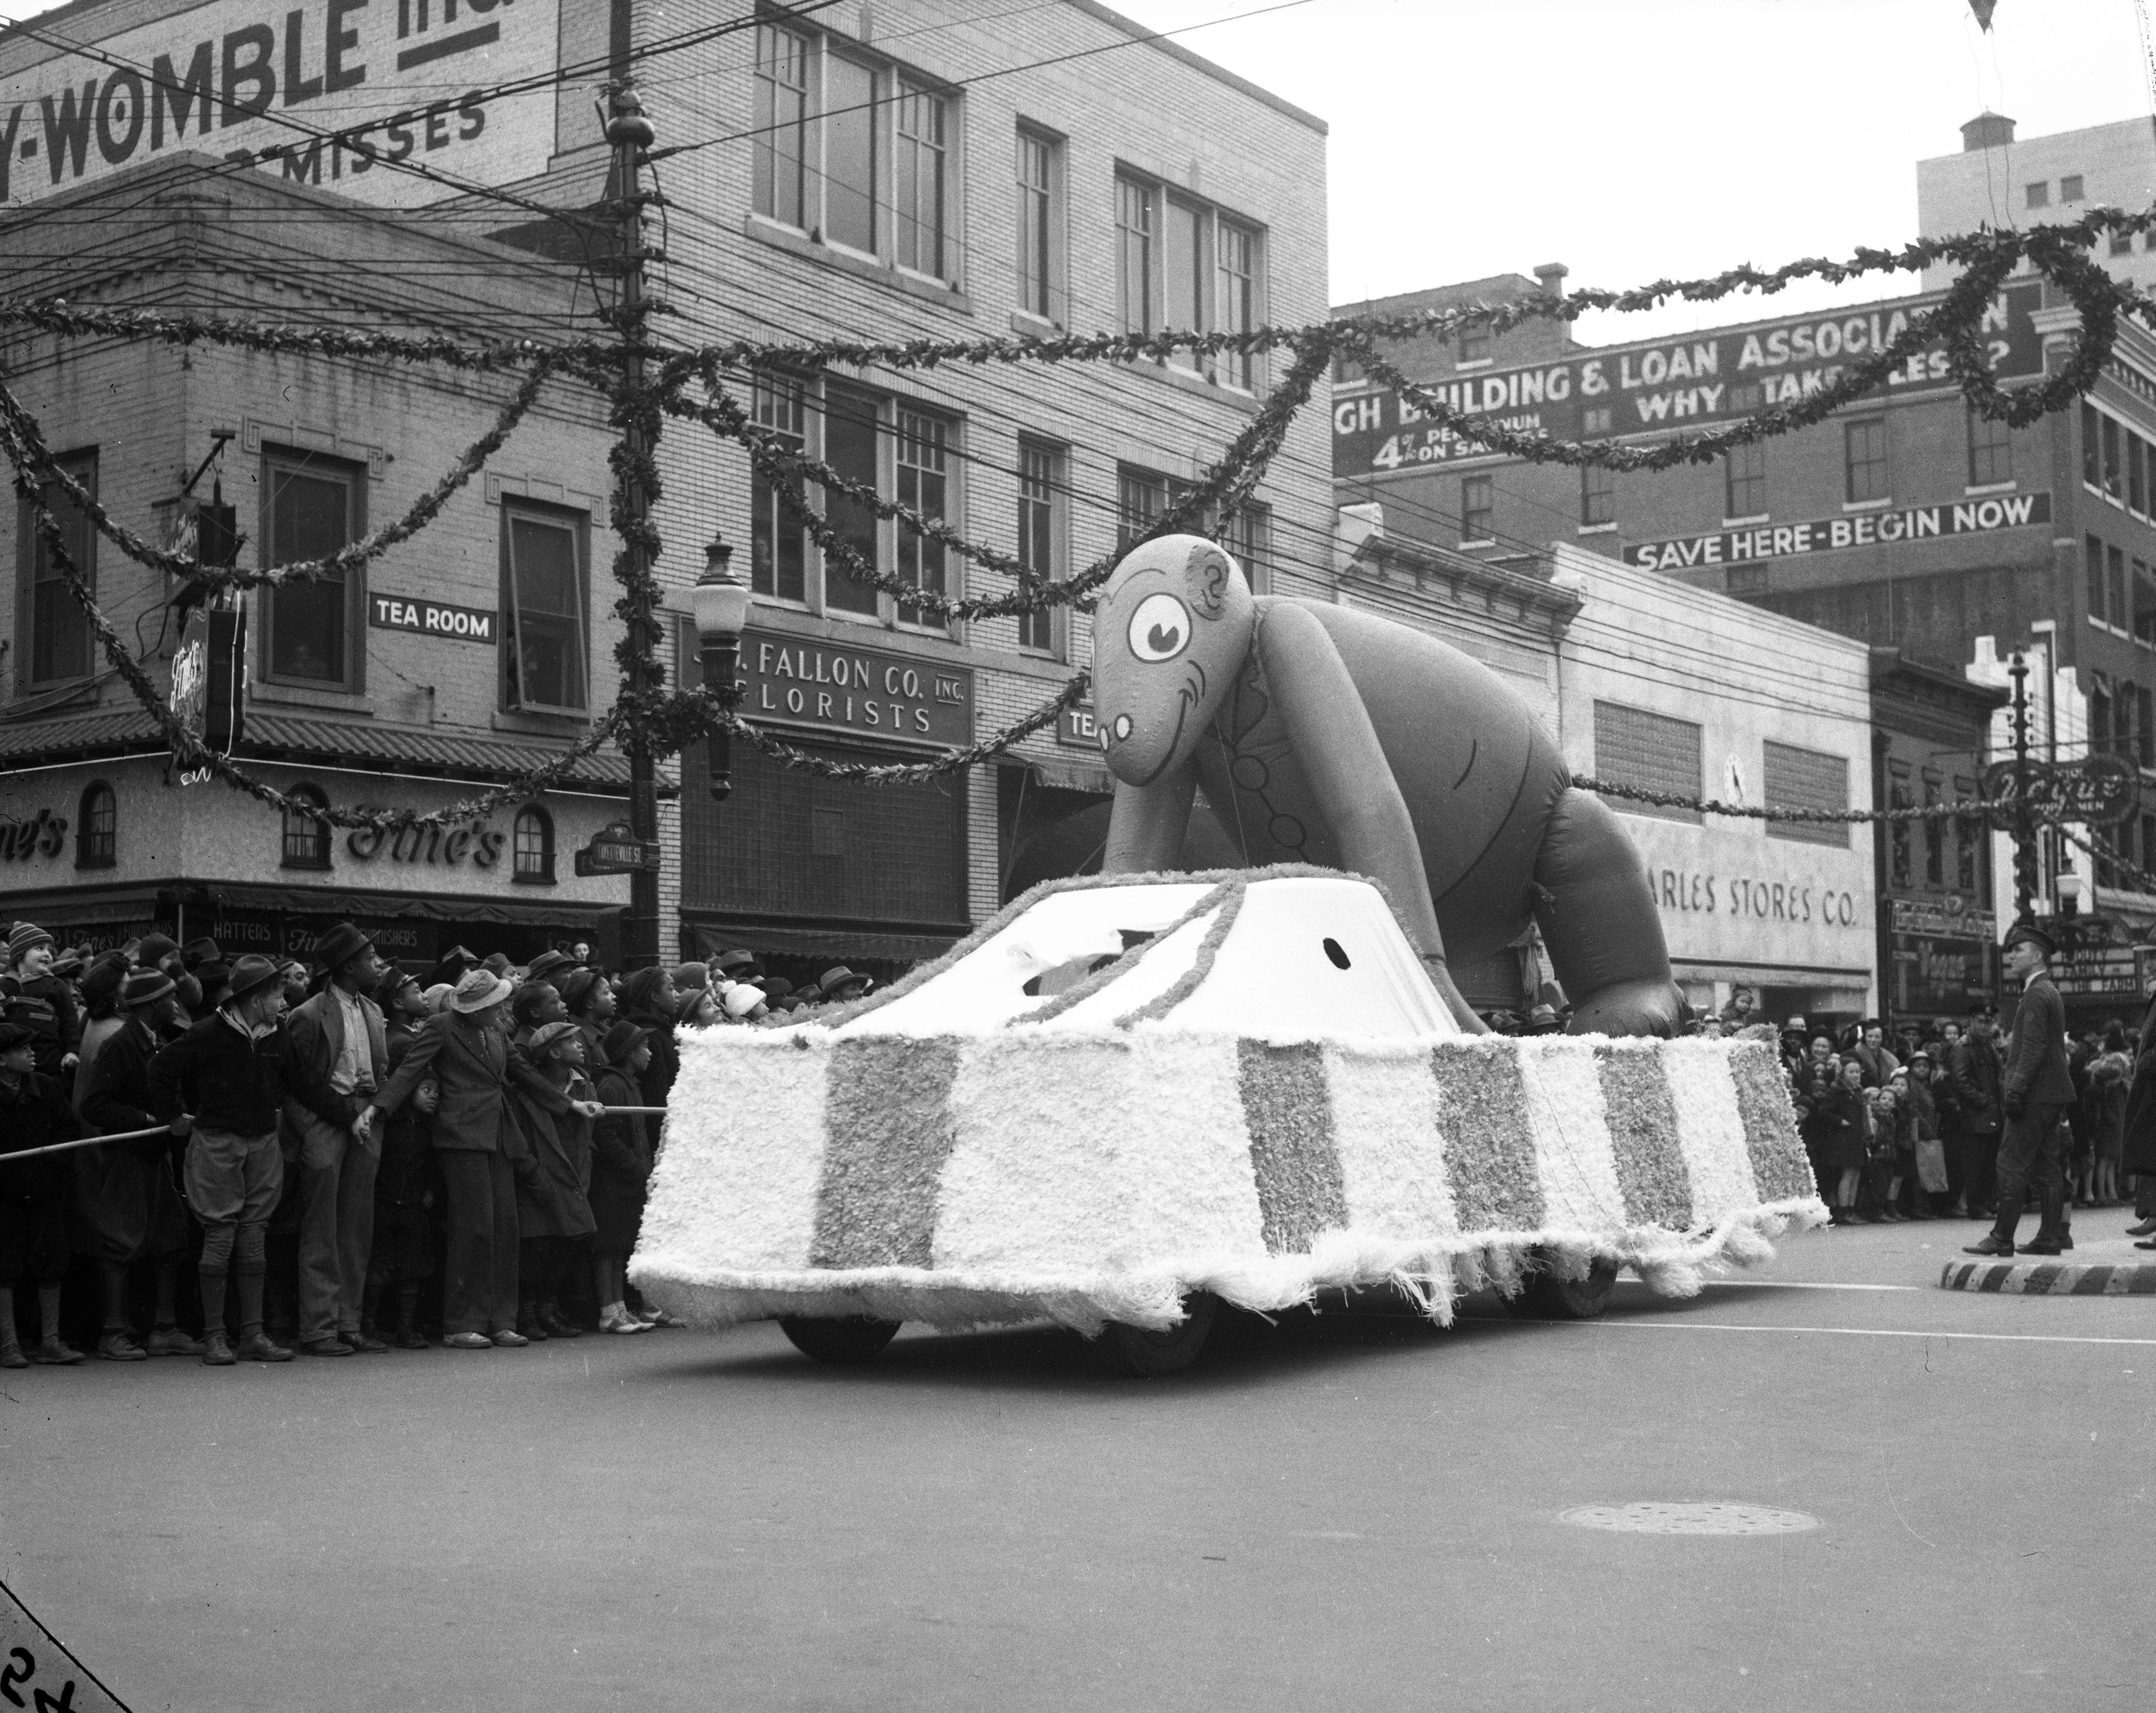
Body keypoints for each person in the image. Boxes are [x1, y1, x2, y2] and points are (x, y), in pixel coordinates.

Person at [148, 954, 342, 1365]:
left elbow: (305, 1083)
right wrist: (172, 1115)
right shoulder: (208, 1031)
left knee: (254, 1233)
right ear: (255, 999)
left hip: (263, 1143)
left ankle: (253, 1334)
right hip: (217, 1143)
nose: (284, 1003)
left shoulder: (278, 1034)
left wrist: (352, 1116)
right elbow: (162, 1068)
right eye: (278, 995)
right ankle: (215, 1336)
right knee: (221, 1235)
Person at [365, 968, 546, 1350]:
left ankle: (500, 1320)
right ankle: (462, 1322)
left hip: (498, 1131)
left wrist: (572, 1104)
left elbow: (522, 1072)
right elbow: (410, 1070)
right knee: (474, 1229)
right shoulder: (441, 1025)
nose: (502, 1008)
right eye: (495, 1003)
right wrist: (377, 1109)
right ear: (476, 1006)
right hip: (460, 1135)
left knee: (505, 1226)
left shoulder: (495, 1029)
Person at [75, 970, 199, 1359]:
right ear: (151, 1004)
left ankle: (164, 1329)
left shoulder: (156, 1042)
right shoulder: (120, 1045)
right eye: (170, 997)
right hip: (128, 1157)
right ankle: (113, 1334)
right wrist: (148, 1121)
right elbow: (95, 1105)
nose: (176, 1003)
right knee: (120, 1241)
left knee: (170, 1238)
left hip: (154, 1156)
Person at [279, 924, 390, 1357]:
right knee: (321, 1228)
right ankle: (319, 1328)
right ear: (347, 967)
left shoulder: (375, 1012)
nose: (377, 965)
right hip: (326, 1121)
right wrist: (309, 1130)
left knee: (357, 1229)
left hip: (365, 1118)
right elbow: (293, 1083)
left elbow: (380, 1071)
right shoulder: (307, 1015)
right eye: (370, 958)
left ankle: (349, 1322)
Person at [1967, 922, 2078, 1257]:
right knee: (2047, 1167)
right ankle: (2050, 1236)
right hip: (2051, 1094)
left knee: (2011, 1163)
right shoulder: (2049, 991)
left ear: (2039, 956)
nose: (2012, 956)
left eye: (2020, 950)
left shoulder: (2035, 994)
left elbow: (2032, 1048)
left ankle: (2002, 1237)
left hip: (2034, 1094)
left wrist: (2015, 1090)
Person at [0, 1021, 90, 1366]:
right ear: (2, 1061)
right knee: (4, 1268)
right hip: (3, 1197)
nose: (32, 1054)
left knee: (51, 1261)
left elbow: (69, 1131)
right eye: (23, 1050)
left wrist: (51, 1169)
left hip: (43, 1189)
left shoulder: (48, 1088)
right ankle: (9, 1345)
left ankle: (50, 1342)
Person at [507, 1021, 600, 1340]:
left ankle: (547, 1309)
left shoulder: (585, 1088)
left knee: (568, 1245)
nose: (581, 1046)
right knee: (537, 1248)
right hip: (539, 1178)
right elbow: (518, 1138)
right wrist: (532, 1173)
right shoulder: (524, 1094)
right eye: (572, 1042)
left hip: (574, 1177)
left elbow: (588, 1138)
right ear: (554, 1052)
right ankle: (528, 1313)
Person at [364, 968, 437, 1349]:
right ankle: (378, 1325)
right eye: (415, 989)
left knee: (407, 1254)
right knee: (387, 1255)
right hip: (399, 1144)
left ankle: (397, 1325)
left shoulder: (403, 1037)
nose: (422, 993)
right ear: (396, 1002)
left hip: (409, 1156)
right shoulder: (403, 1044)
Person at [590, 1022, 655, 1335]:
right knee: (609, 1247)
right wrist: (632, 1165)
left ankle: (620, 1309)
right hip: (613, 1182)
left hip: (628, 1181)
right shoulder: (613, 1086)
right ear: (630, 1053)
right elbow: (606, 1133)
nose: (650, 1053)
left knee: (620, 1247)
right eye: (644, 1047)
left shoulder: (630, 1083)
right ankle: (608, 1311)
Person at [2, 924, 80, 1082]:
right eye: (40, 948)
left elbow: (70, 1023)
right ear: (20, 954)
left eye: (50, 951)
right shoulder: (4, 985)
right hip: (11, 1068)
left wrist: (72, 1051)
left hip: (50, 1067)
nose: (47, 955)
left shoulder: (56, 985)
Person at [1949, 1006, 2004, 1219]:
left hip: (1991, 1114)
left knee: (1990, 1162)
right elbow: (1960, 1081)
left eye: (1988, 1022)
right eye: (1981, 1022)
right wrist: (1984, 1102)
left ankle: (1987, 1203)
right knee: (1976, 1164)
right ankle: (1977, 1206)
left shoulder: (1987, 1045)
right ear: (1972, 1021)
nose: (1985, 1026)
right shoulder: (1963, 1047)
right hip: (1976, 1115)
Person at [620, 967, 679, 1106]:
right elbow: (658, 1093)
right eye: (671, 989)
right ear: (655, 997)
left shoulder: (663, 1029)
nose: (677, 995)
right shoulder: (650, 1035)